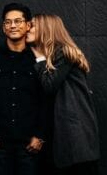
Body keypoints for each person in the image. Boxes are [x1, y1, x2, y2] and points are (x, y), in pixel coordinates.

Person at [0, 3, 50, 175]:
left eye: (18, 21)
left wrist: (40, 135)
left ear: (28, 25)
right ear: (3, 27)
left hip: (30, 144)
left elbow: (45, 99)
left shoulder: (38, 59)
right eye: (8, 22)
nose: (13, 25)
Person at [27, 14, 100, 175]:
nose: (27, 29)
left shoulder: (64, 52)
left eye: (32, 25)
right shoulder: (54, 55)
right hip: (62, 133)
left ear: (45, 28)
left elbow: (49, 85)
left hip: (74, 134)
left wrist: (39, 58)